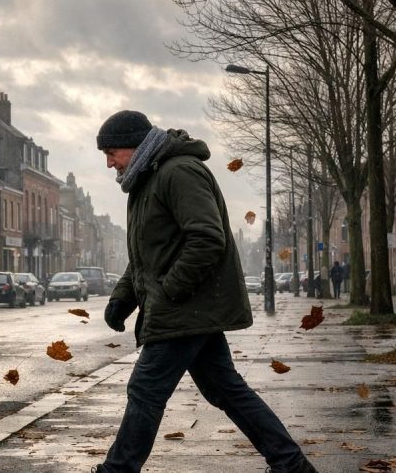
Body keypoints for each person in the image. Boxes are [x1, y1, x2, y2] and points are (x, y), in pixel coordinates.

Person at [93, 110, 316, 473]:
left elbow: (206, 238)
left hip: (185, 308)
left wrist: (170, 291)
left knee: (145, 390)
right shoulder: (147, 181)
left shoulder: (178, 172)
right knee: (225, 389)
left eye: (113, 152)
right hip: (189, 308)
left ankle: (117, 471)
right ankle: (291, 465)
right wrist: (123, 298)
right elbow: (147, 256)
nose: (109, 163)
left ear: (136, 146)